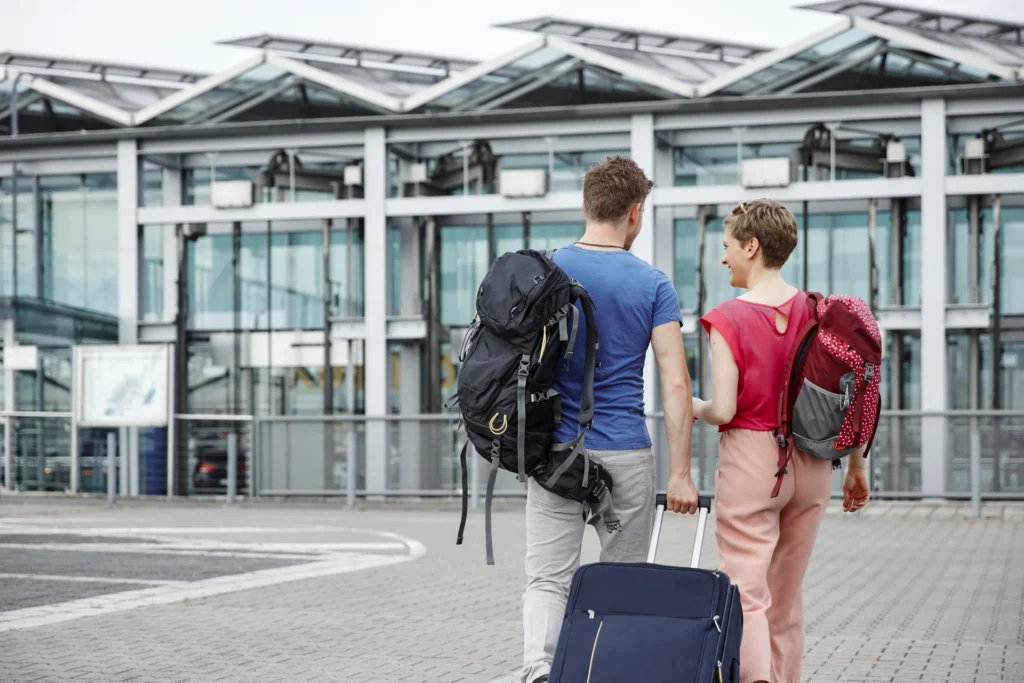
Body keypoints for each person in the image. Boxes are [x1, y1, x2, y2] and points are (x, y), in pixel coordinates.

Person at [499, 155, 699, 683]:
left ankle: (539, 670)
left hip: (555, 455)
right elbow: (676, 383)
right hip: (626, 455)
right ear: (635, 213)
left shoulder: (545, 271)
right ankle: (611, 671)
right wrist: (681, 472)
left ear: (587, 206)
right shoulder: (653, 284)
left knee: (547, 579)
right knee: (623, 581)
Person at [692, 199, 871, 683]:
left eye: (727, 247)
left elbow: (724, 409)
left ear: (751, 246)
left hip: (753, 460)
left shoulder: (727, 318)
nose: (723, 257)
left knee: (746, 594)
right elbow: (854, 390)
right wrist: (857, 465)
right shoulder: (820, 311)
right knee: (786, 597)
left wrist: (689, 405)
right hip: (814, 463)